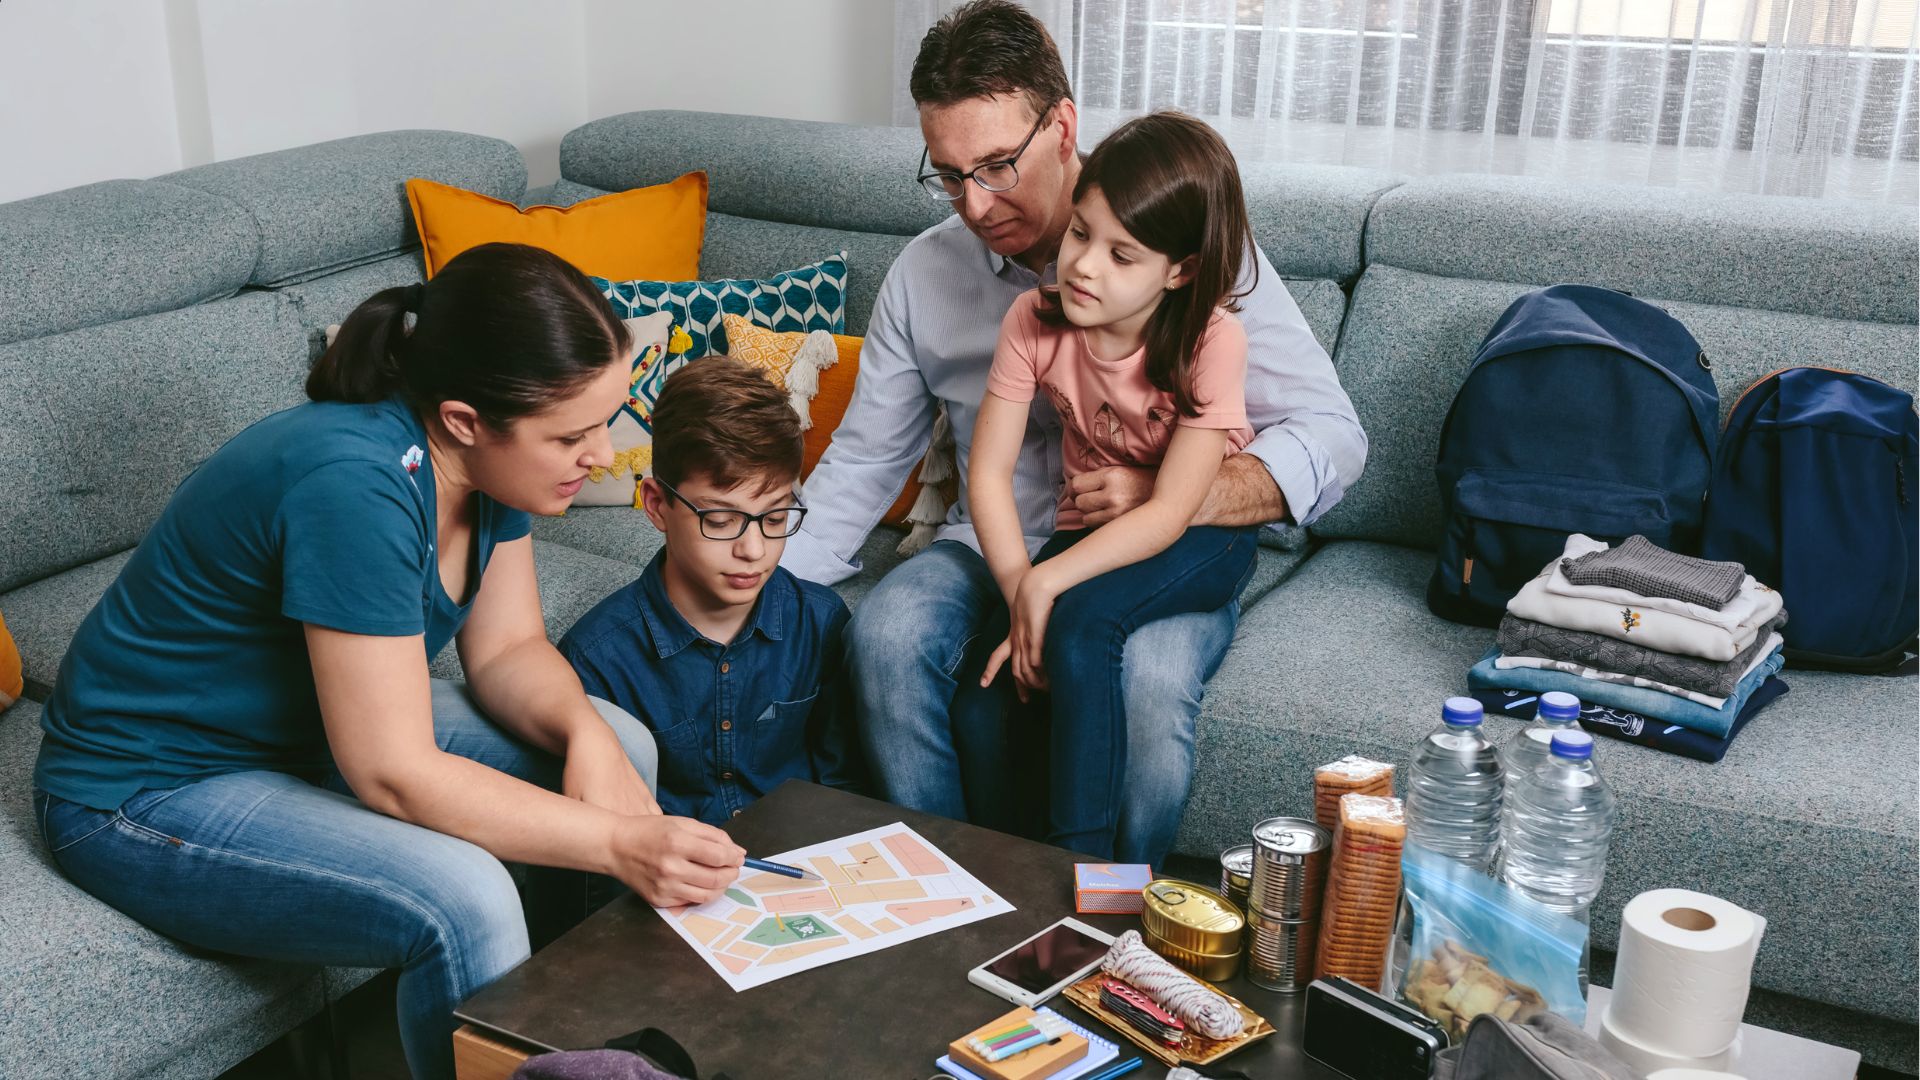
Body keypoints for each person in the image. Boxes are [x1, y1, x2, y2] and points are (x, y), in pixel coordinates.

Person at [30, 243, 746, 1080]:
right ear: (463, 420)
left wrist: (586, 737)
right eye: (572, 435)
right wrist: (621, 842)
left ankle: (588, 1048)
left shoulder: (492, 476)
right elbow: (393, 771)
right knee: (462, 896)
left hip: (298, 733)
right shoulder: (354, 484)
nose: (604, 454)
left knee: (619, 742)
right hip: (144, 788)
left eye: (606, 419)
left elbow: (510, 648)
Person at [779, 0, 1367, 865]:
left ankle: (1111, 925)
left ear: (1062, 127)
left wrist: (1177, 493)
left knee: (1150, 684)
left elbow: (1333, 435)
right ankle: (955, 895)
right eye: (948, 174)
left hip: (1150, 543)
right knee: (888, 634)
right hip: (994, 542)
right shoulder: (928, 277)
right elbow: (866, 460)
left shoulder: (1186, 248)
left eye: (997, 167)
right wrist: (750, 588)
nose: (974, 205)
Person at [972, 111, 1260, 858]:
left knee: (1084, 624)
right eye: (1080, 234)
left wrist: (1050, 588)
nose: (1084, 266)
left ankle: (1085, 880)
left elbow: (1169, 512)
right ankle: (1012, 871)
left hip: (1201, 535)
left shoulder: (1211, 340)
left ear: (1181, 269)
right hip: (1091, 529)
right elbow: (988, 474)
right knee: (995, 679)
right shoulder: (1033, 320)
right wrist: (1018, 592)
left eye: (1121, 254)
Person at [560, 358, 865, 825]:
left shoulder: (820, 622)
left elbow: (843, 788)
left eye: (776, 518)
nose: (754, 549)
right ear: (657, 506)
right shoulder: (595, 659)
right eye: (720, 521)